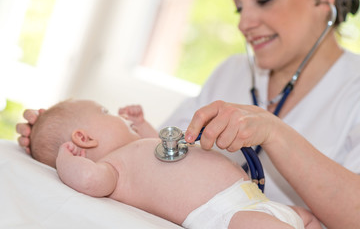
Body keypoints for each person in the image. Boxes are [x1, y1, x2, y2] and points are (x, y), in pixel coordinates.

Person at [16, 0, 360, 228]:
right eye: (239, 7)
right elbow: (154, 162)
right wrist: (60, 137)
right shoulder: (233, 72)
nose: (244, 24)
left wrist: (274, 133)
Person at [28, 99, 320, 229]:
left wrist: (141, 124)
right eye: (104, 110)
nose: (116, 114)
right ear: (83, 138)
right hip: (223, 216)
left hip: (254, 200)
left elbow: (160, 147)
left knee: (306, 218)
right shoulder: (114, 169)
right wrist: (64, 158)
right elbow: (88, 181)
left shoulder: (138, 147)